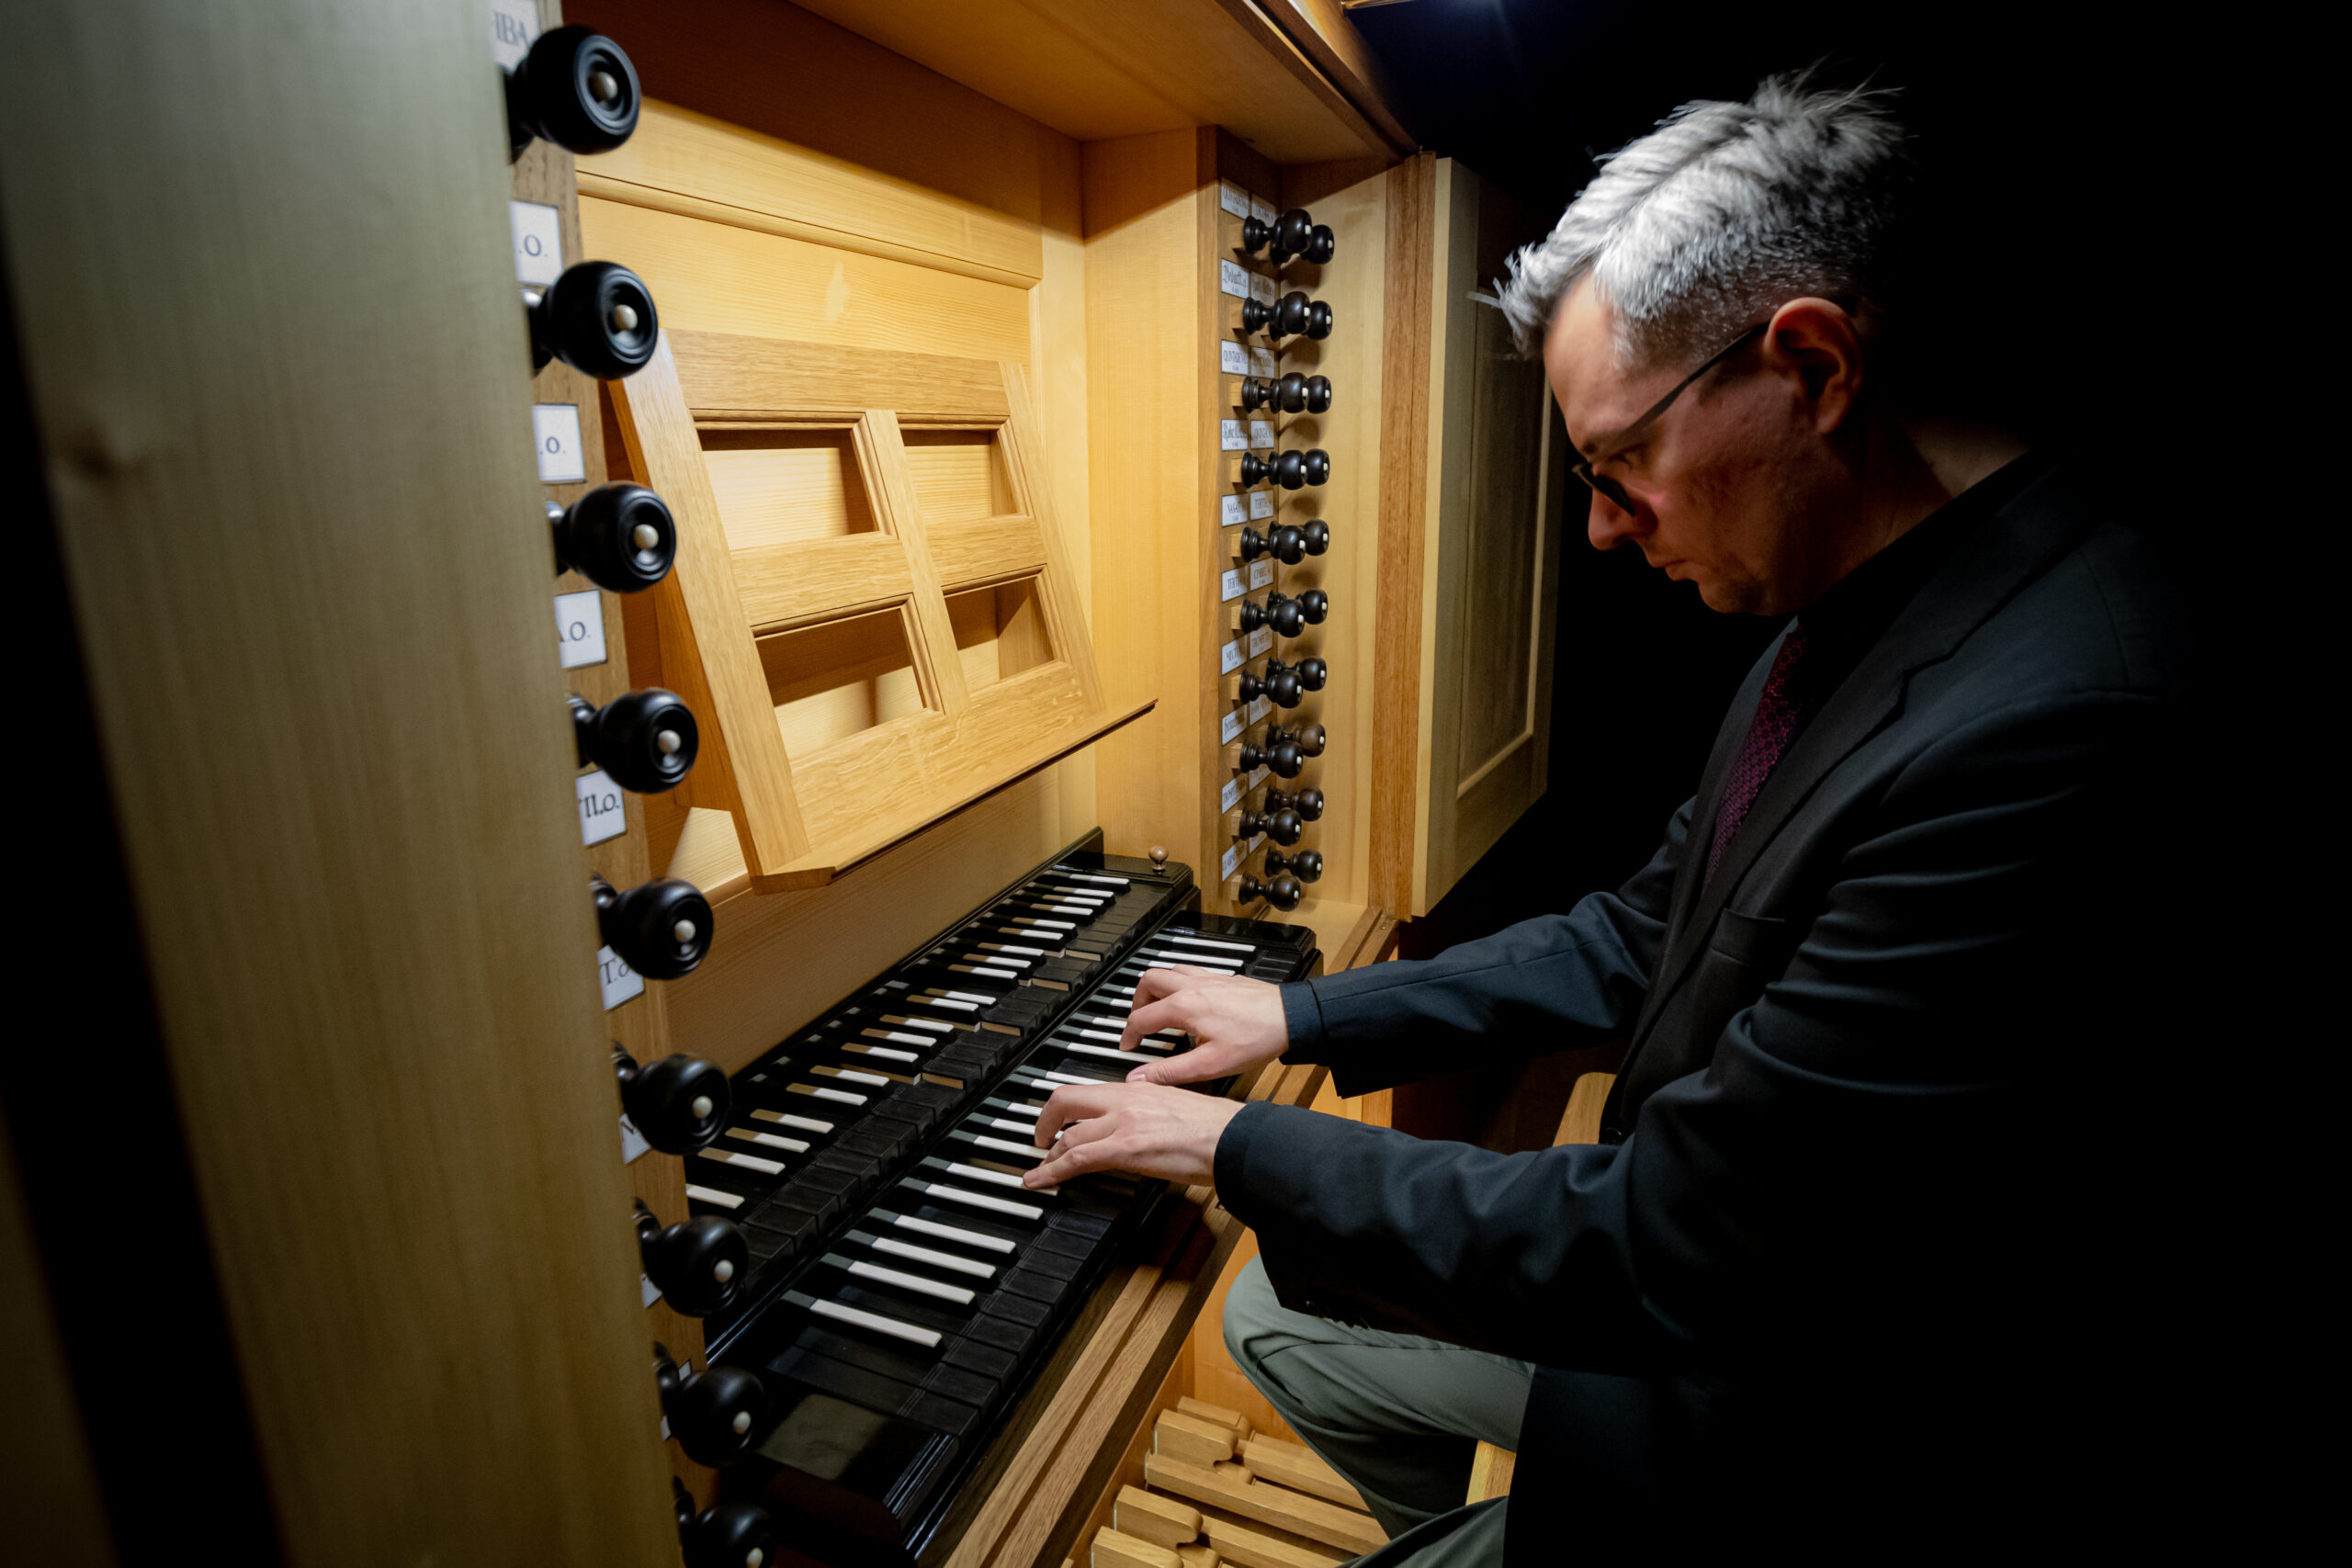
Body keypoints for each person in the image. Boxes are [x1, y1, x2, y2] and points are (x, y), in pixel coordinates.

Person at [1023, 74, 2198, 1560]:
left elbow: (1667, 1238)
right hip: (1708, 1301)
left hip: (1793, 1433)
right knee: (1276, 1317)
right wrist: (1302, 1015)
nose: (1596, 525)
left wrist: (1234, 1146)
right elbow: (1642, 931)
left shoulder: (2059, 730)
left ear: (1813, 365)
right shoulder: (1859, 603)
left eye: (1620, 463)